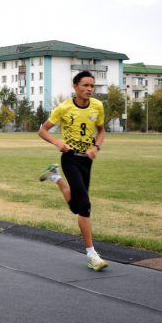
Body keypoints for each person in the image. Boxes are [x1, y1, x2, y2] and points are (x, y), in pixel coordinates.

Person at [38, 70, 108, 271]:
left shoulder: (98, 106)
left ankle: (54, 176)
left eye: (92, 86)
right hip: (69, 158)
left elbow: (101, 131)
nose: (89, 89)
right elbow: (42, 130)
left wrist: (96, 147)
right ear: (75, 87)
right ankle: (92, 255)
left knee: (76, 208)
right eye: (85, 85)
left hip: (87, 160)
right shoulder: (64, 108)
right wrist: (57, 142)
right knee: (85, 205)